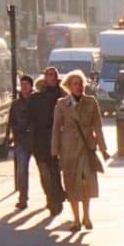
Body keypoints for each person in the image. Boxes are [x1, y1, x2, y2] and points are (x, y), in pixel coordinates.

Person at [51, 69, 108, 231]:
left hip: (86, 148)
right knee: (71, 184)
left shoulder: (91, 102)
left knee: (86, 183)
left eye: (81, 84)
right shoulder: (62, 104)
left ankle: (86, 217)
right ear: (69, 86)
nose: (79, 87)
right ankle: (76, 219)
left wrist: (103, 148)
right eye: (75, 84)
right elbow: (56, 128)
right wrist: (55, 151)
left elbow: (98, 126)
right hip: (68, 150)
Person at [29, 65, 65, 216]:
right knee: (44, 172)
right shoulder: (36, 98)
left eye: (53, 74)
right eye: (48, 74)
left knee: (55, 172)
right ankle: (51, 198)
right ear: (44, 77)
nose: (51, 77)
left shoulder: (63, 97)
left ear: (57, 78)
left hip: (58, 139)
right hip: (40, 140)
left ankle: (57, 197)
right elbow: (30, 118)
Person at [7, 74, 35, 210]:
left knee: (45, 171)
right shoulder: (16, 104)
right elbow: (11, 121)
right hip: (21, 141)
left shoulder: (37, 101)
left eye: (26, 84)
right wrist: (16, 132)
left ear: (31, 86)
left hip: (36, 140)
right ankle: (23, 198)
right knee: (22, 170)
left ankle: (52, 199)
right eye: (22, 84)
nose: (24, 87)